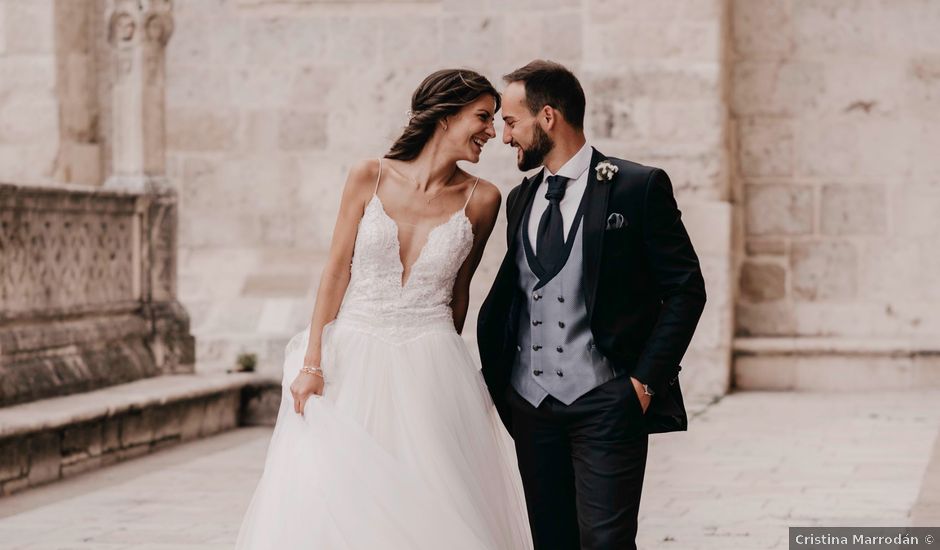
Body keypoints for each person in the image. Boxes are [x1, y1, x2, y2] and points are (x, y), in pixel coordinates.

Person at [235, 69, 533, 550]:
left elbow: (460, 293)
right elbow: (336, 272)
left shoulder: (484, 199)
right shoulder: (368, 176)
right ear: (446, 115)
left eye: (496, 121)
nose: (492, 132)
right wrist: (312, 361)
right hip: (352, 355)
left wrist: (448, 372)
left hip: (433, 364)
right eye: (482, 117)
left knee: (434, 501)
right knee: (338, 497)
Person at [476, 60, 707, 550]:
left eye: (511, 122)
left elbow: (687, 289)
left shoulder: (637, 186)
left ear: (548, 117)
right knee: (551, 541)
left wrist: (644, 382)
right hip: (531, 407)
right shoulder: (521, 199)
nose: (504, 137)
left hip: (607, 401)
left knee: (606, 542)